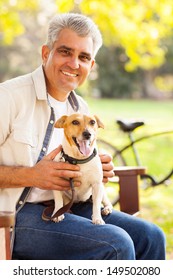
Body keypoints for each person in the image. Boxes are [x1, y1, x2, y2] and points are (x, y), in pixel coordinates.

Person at [0, 13, 165, 260]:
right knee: (116, 245)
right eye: (65, 52)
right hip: (15, 215)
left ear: (91, 66)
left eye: (84, 57)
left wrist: (96, 168)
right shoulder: (9, 97)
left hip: (74, 205)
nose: (74, 64)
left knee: (151, 235)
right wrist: (31, 175)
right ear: (46, 53)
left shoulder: (82, 110)